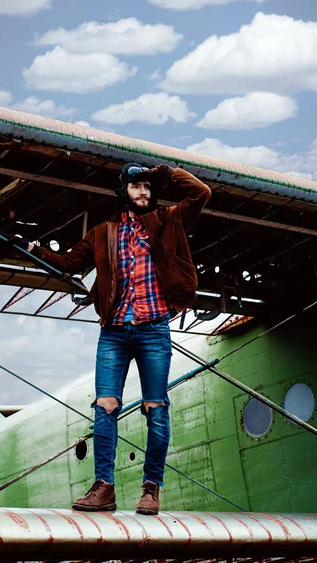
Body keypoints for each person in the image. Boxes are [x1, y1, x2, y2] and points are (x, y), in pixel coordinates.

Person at [27, 162, 211, 514]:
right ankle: (104, 488)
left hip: (153, 328)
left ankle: (151, 489)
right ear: (123, 192)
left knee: (155, 409)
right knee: (105, 407)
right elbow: (67, 263)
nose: (143, 192)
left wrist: (168, 172)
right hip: (113, 331)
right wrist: (36, 251)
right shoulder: (103, 232)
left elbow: (201, 193)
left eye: (147, 187)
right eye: (136, 187)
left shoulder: (169, 220)